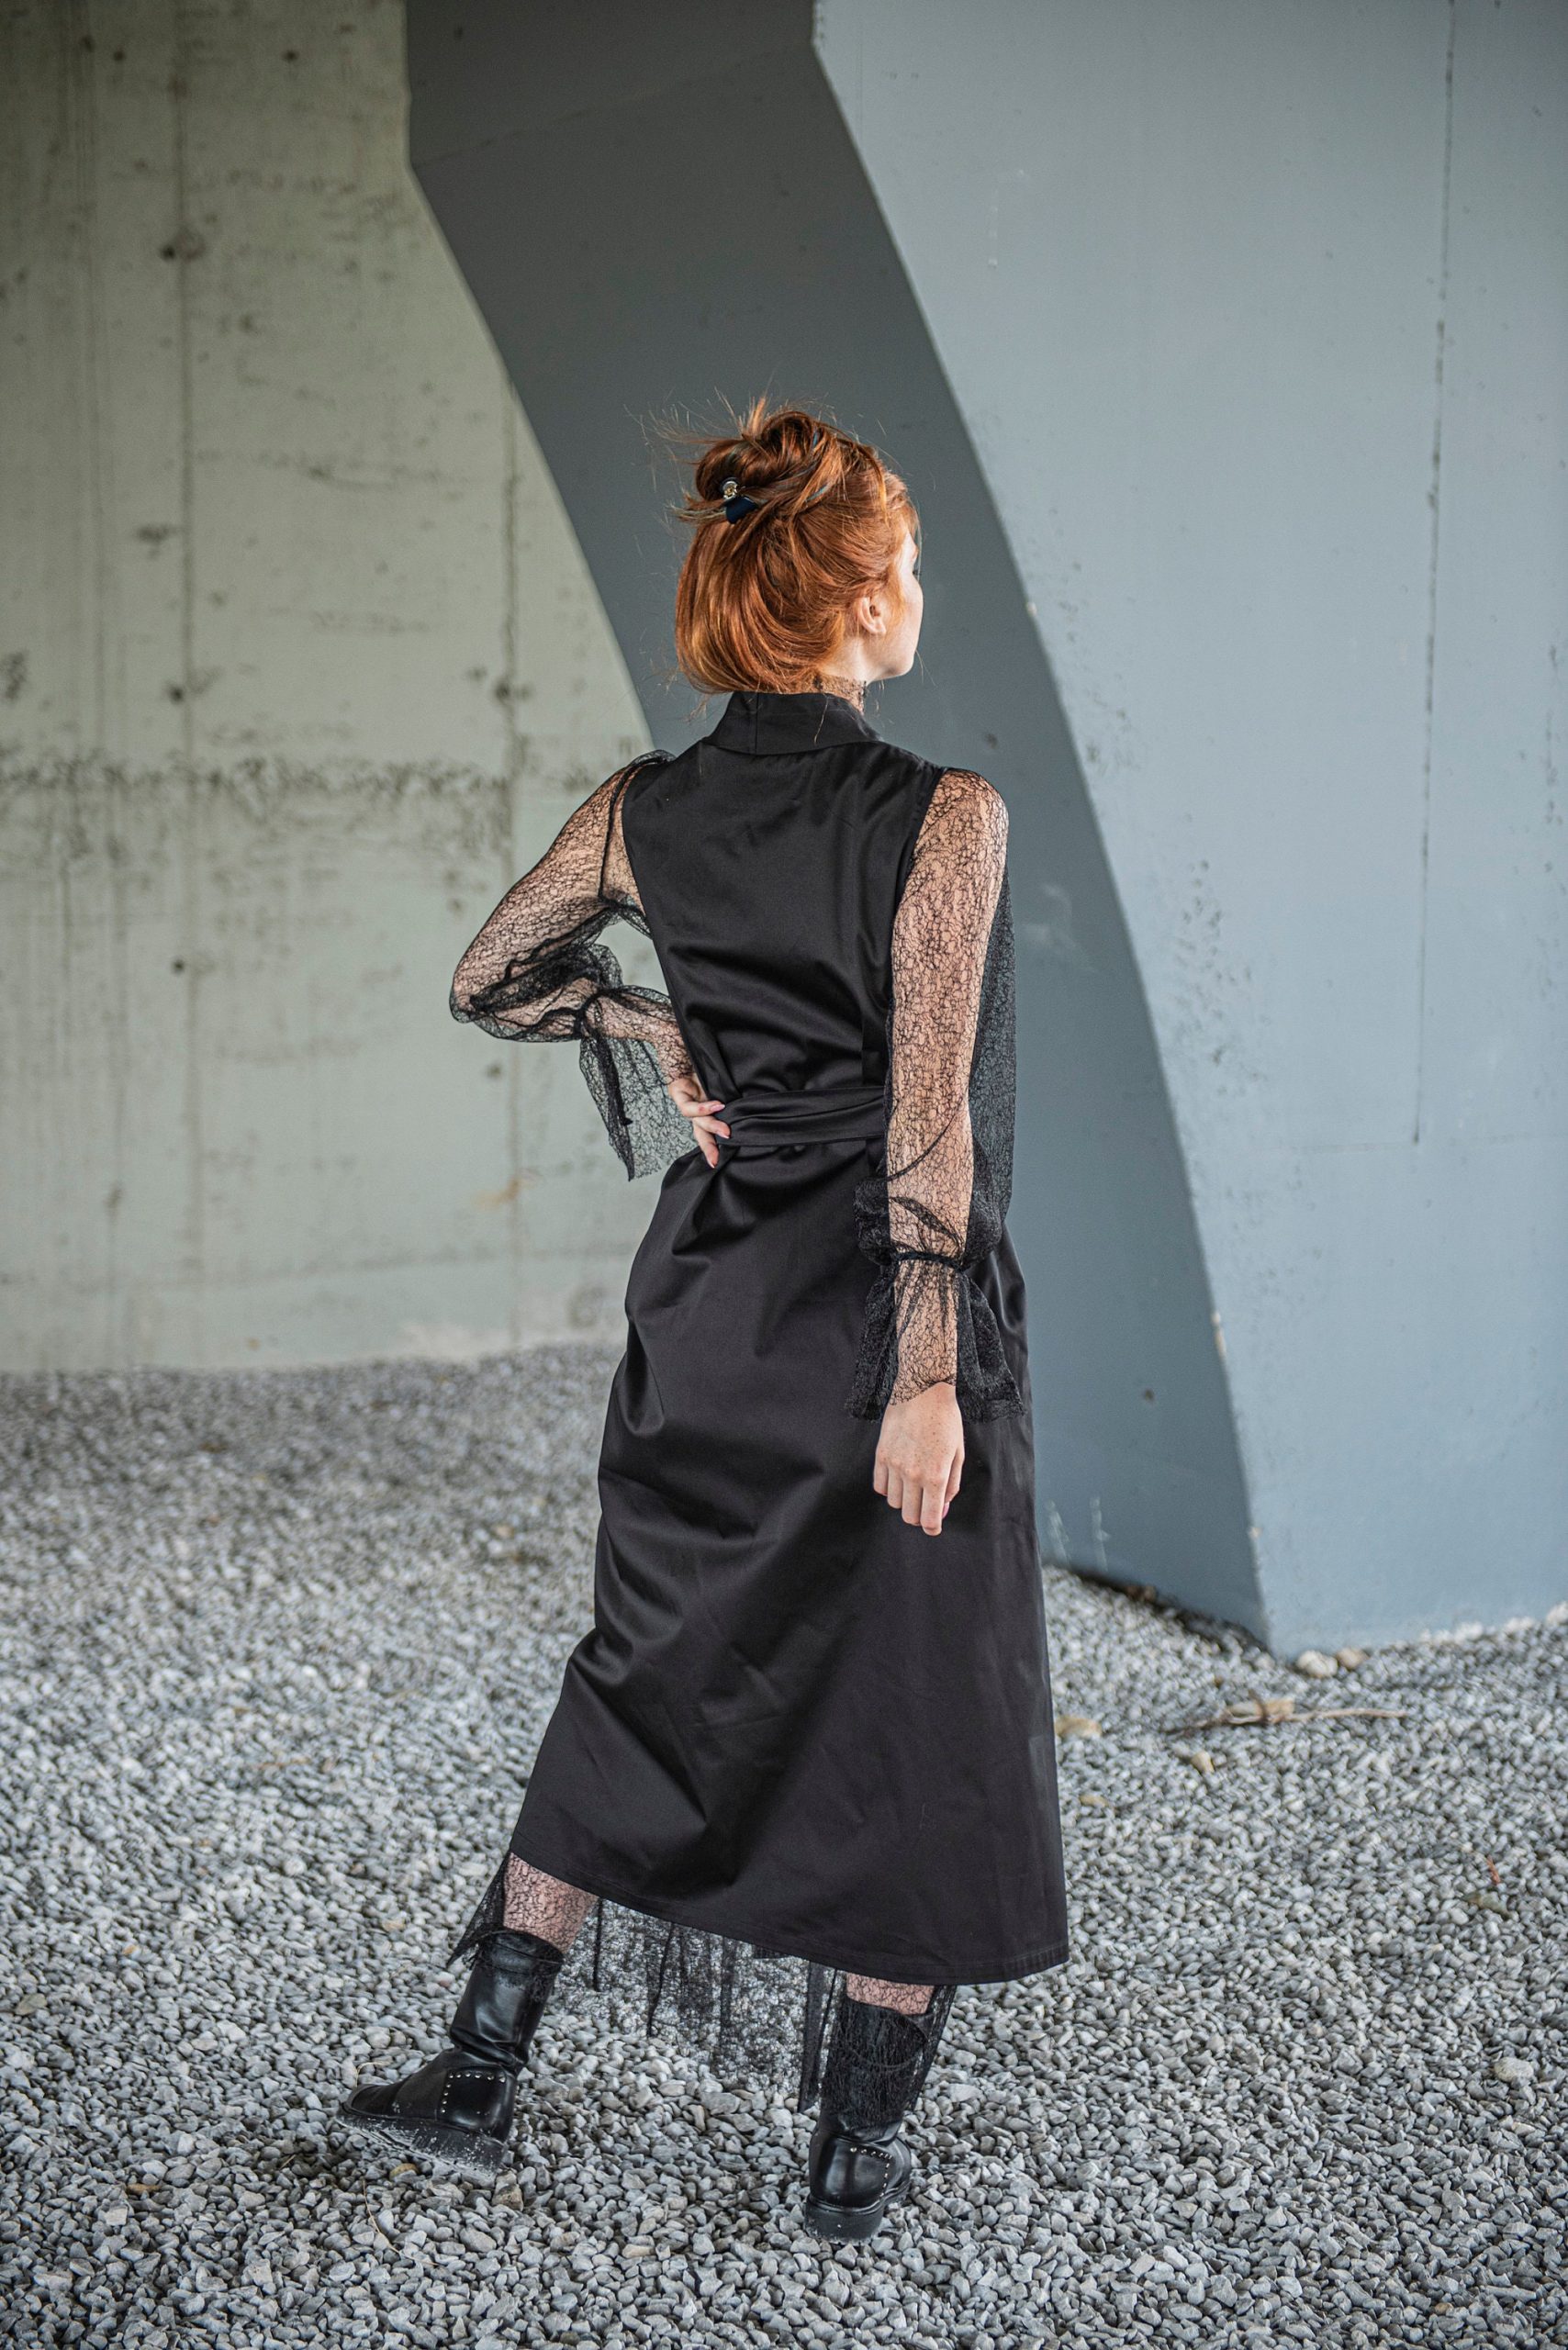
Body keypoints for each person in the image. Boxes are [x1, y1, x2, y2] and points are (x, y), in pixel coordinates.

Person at [342, 400, 1069, 2243]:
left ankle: (478, 2076)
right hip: (874, 1314)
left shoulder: (639, 812)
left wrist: (649, 1021)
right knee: (915, 1696)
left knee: (644, 1668)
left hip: (716, 1298)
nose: (919, 590)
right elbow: (929, 1120)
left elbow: (491, 974)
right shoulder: (946, 817)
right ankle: (848, 2154)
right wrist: (928, 1377)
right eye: (907, 562)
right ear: (856, 600)